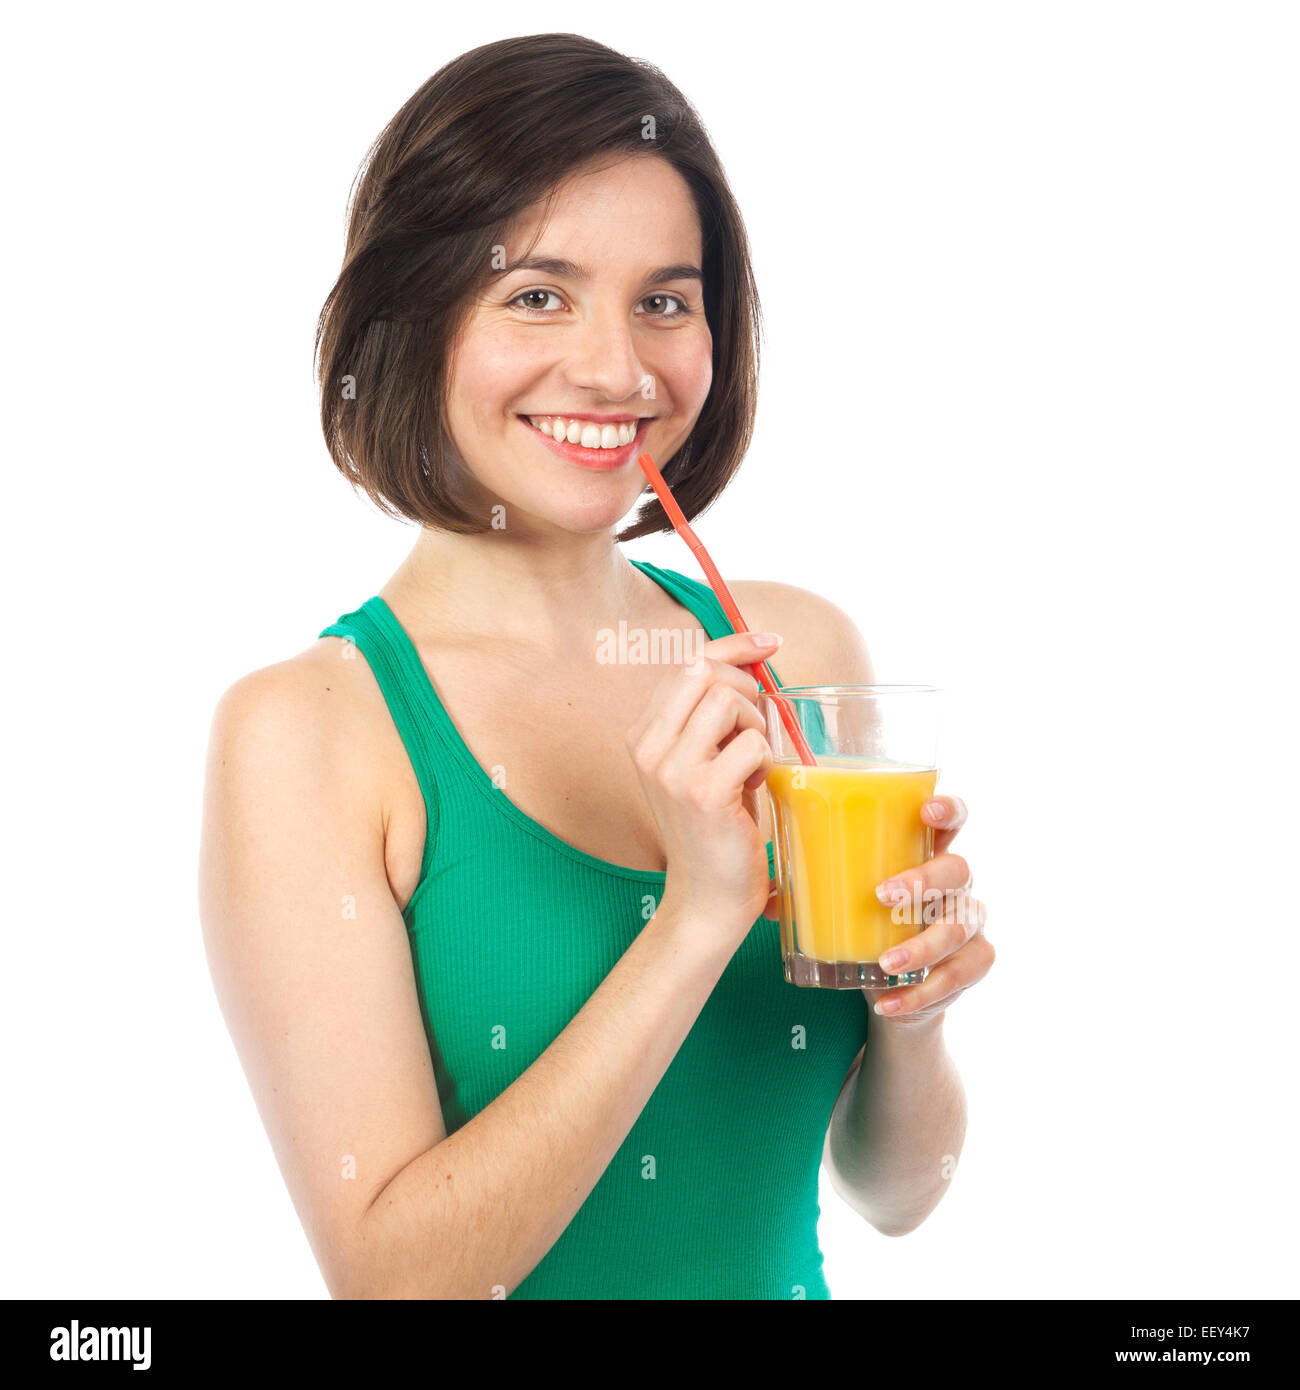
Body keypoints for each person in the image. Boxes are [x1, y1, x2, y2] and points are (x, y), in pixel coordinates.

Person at [198, 33, 993, 1300]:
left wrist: (917, 1011)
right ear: (413, 318)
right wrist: (693, 918)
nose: (620, 371)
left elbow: (897, 1194)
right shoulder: (309, 731)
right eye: (537, 294)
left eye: (665, 302)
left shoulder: (800, 656)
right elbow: (400, 1283)